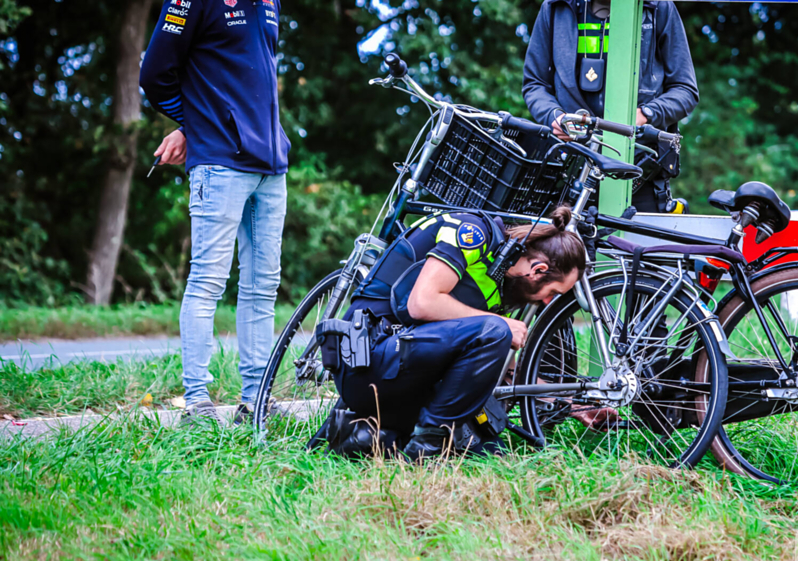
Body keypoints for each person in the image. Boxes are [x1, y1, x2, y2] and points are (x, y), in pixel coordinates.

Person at [320, 207, 591, 461]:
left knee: (488, 448)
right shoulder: (471, 232)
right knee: (495, 330)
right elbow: (421, 302)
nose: (547, 302)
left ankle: (370, 435)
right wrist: (498, 323)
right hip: (366, 364)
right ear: (538, 270)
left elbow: (507, 372)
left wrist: (574, 403)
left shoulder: (497, 277)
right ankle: (427, 453)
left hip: (400, 369)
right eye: (553, 293)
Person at [140, 0, 291, 426]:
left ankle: (255, 398)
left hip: (271, 166)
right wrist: (199, 125)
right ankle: (197, 403)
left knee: (263, 286)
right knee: (208, 281)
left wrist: (193, 126)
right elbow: (154, 76)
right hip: (220, 165)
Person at [523, 0, 699, 213]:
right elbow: (535, 84)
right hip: (570, 169)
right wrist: (555, 116)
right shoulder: (555, 6)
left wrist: (645, 114)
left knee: (633, 246)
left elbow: (685, 90)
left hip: (639, 172)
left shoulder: (658, 7)